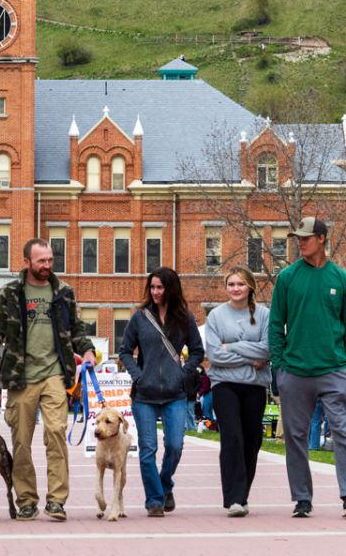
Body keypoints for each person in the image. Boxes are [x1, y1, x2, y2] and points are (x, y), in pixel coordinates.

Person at [0, 238, 95, 521]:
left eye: (50, 260)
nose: (47, 265)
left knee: (56, 433)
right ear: (27, 261)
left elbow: (76, 328)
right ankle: (26, 500)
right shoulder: (9, 293)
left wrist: (87, 350)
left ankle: (57, 501)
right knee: (21, 442)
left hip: (55, 373)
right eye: (41, 261)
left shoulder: (64, 292)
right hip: (21, 376)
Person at [268, 217, 346, 518]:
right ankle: (302, 498)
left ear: (322, 238)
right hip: (295, 371)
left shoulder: (340, 278)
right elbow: (276, 325)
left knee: (342, 432)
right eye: (298, 238)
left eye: (305, 238)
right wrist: (279, 368)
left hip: (334, 369)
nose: (300, 243)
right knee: (295, 437)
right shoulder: (287, 277)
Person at [119, 266, 204, 517]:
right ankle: (154, 500)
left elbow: (197, 350)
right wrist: (138, 375)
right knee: (148, 450)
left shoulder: (184, 318)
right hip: (144, 395)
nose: (155, 292)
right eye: (153, 287)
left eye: (160, 287)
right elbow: (125, 351)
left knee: (175, 446)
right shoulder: (140, 317)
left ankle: (165, 484)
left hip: (174, 393)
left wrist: (184, 372)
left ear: (171, 289)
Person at [204, 266, 271, 517]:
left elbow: (267, 349)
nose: (235, 289)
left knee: (252, 440)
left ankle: (243, 495)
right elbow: (215, 355)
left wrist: (232, 346)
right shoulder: (216, 316)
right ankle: (234, 499)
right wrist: (250, 356)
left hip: (254, 385)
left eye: (240, 284)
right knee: (232, 437)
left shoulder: (264, 315)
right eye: (231, 284)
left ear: (250, 287)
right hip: (224, 384)